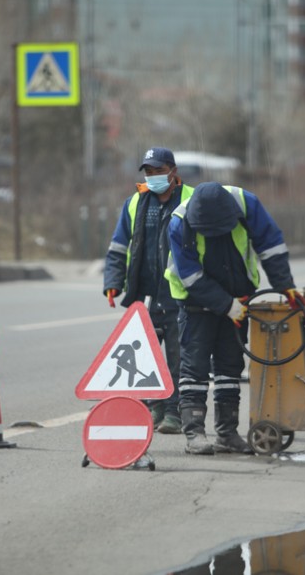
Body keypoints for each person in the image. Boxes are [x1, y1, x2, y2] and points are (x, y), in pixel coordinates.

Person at [165, 182, 303, 455]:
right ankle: (194, 433)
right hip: (196, 304)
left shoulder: (247, 205)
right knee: (194, 368)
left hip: (239, 299)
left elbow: (271, 246)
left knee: (230, 367)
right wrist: (227, 306)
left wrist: (284, 284)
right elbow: (190, 275)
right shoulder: (179, 223)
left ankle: (227, 434)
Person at [103, 147, 195, 434]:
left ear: (173, 171)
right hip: (145, 295)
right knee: (144, 358)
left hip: (180, 294)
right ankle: (154, 407)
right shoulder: (136, 203)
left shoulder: (192, 199)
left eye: (158, 171)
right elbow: (119, 245)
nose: (153, 177)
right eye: (149, 172)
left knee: (178, 358)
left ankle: (174, 412)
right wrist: (113, 282)